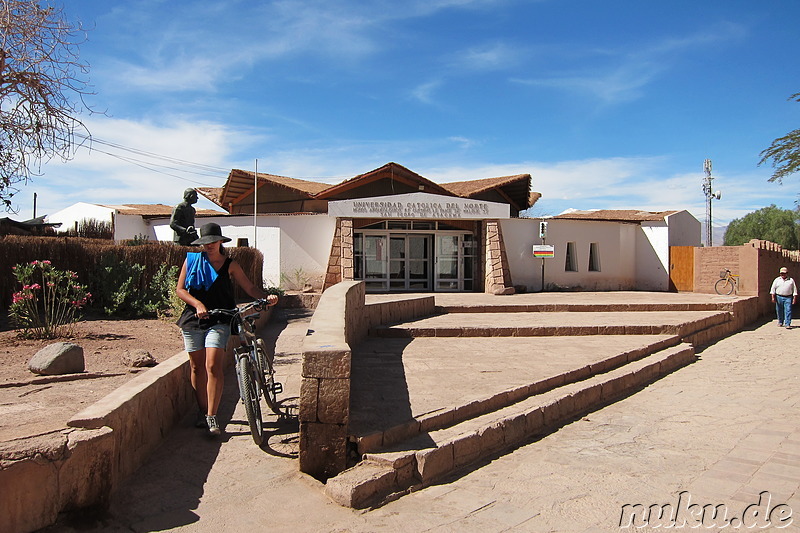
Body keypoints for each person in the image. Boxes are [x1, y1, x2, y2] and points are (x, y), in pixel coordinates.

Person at [176, 222, 278, 436]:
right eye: (205, 243)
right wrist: (198, 304)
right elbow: (180, 289)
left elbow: (249, 287)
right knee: (196, 368)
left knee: (213, 365)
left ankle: (213, 417)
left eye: (213, 242)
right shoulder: (192, 260)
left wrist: (265, 298)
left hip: (221, 319)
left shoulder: (230, 264)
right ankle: (203, 412)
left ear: (220, 241)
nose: (209, 246)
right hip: (193, 319)